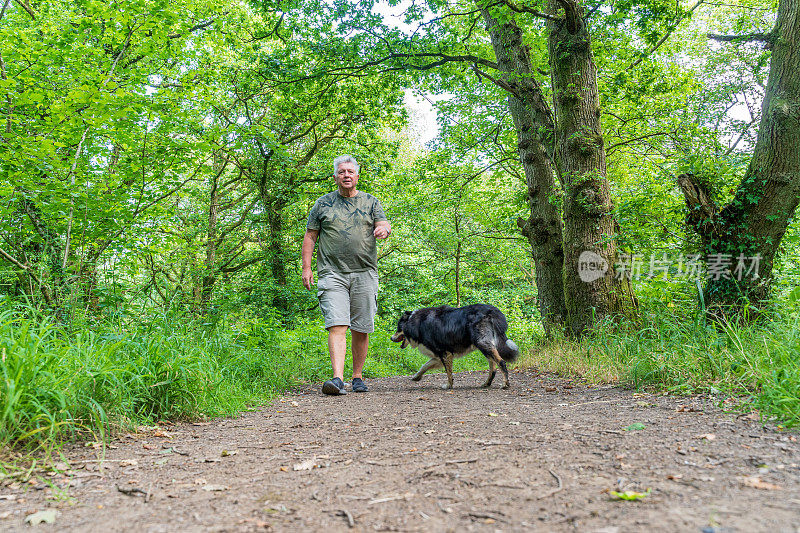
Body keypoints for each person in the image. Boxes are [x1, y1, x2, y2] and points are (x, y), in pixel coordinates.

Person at [302, 155, 391, 395]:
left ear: (357, 176)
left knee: (361, 327)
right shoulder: (322, 204)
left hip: (364, 272)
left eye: (350, 171)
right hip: (332, 273)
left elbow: (384, 224)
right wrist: (307, 268)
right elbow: (310, 236)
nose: (346, 175)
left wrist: (383, 229)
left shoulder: (371, 201)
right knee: (337, 324)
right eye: (342, 172)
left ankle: (357, 377)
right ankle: (338, 379)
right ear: (335, 177)